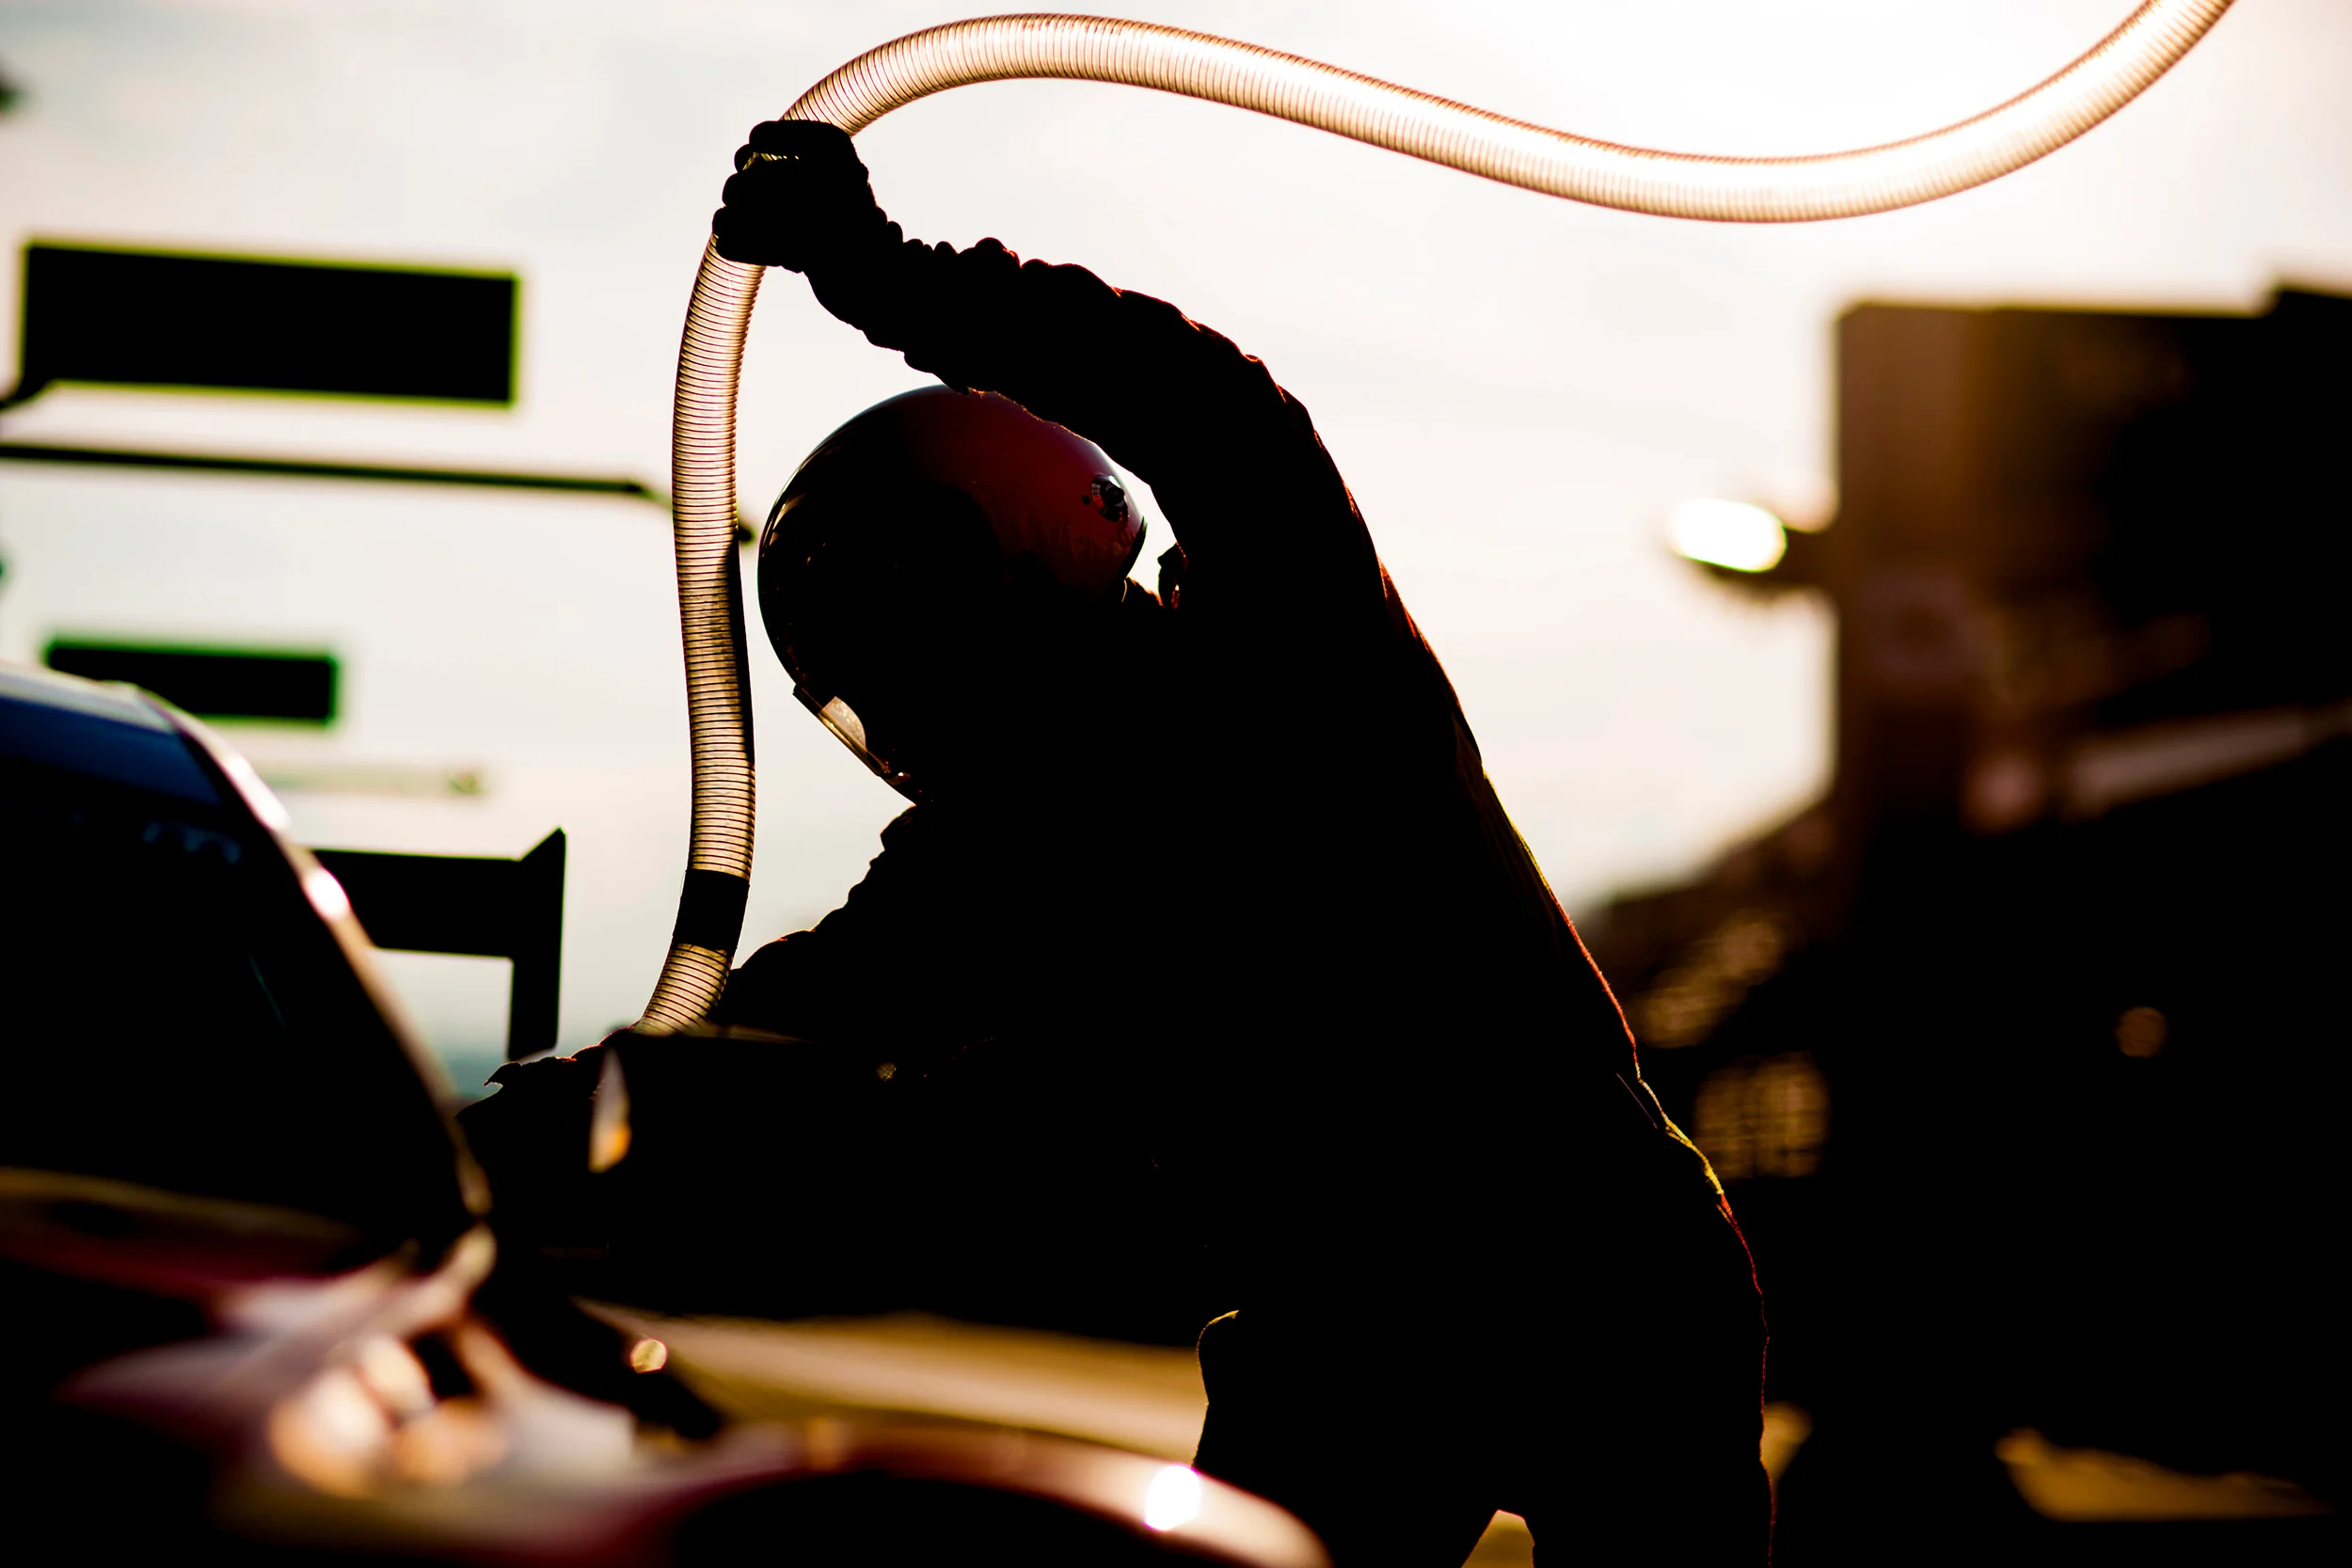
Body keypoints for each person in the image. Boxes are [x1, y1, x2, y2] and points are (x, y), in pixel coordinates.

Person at [709, 119, 1770, 1567]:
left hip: (1578, 1264)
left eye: (910, 658)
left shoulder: (1278, 639)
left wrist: (884, 275)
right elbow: (795, 1015)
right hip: (1385, 1313)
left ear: (1003, 577)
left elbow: (1205, 403)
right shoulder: (994, 845)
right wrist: (580, 1104)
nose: (910, 713)